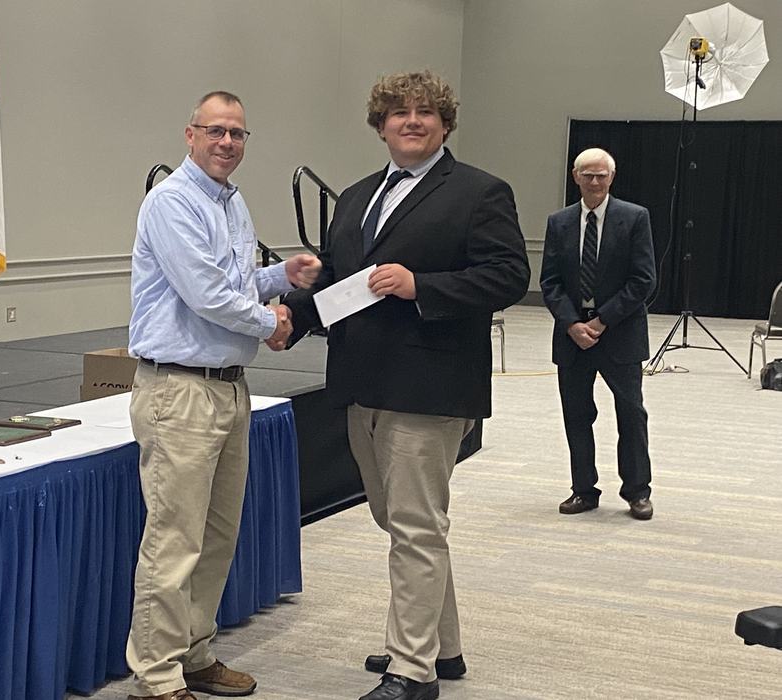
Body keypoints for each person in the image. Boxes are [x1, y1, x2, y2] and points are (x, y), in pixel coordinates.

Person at [281, 71, 529, 700]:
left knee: (416, 526)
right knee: (401, 520)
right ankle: (440, 649)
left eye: (425, 112)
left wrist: (425, 287)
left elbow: (508, 276)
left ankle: (411, 671)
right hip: (361, 383)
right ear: (381, 125)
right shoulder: (359, 196)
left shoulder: (480, 192)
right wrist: (295, 318)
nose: (411, 121)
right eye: (398, 113)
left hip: (431, 386)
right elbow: (343, 281)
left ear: (445, 124)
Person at [126, 90, 321, 700]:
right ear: (190, 135)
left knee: (216, 536)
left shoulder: (231, 203)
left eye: (237, 134)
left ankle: (194, 653)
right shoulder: (173, 202)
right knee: (174, 539)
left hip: (228, 391)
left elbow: (232, 282)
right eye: (216, 131)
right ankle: (156, 678)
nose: (227, 143)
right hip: (179, 392)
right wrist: (274, 321)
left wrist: (278, 278)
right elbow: (206, 295)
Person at [539, 147, 656, 521]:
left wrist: (602, 320)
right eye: (587, 175)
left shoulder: (635, 218)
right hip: (573, 336)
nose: (594, 182)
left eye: (601, 175)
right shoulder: (559, 223)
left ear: (612, 177)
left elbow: (644, 281)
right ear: (576, 177)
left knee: (631, 414)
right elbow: (550, 281)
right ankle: (583, 490)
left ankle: (637, 492)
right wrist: (572, 323)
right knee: (576, 415)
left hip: (619, 333)